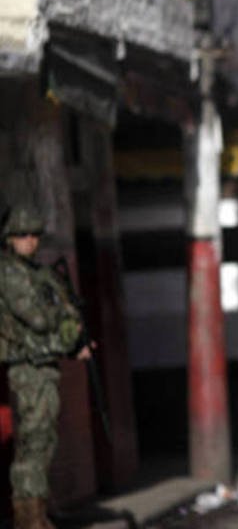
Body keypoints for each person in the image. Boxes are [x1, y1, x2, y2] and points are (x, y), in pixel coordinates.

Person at [0, 204, 92, 529]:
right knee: (34, 440)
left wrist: (73, 341)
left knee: (45, 439)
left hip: (43, 362)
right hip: (27, 366)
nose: (30, 241)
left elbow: (62, 311)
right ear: (10, 238)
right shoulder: (9, 272)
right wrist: (63, 320)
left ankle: (37, 513)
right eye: (23, 235)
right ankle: (28, 520)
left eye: (35, 235)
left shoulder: (37, 272)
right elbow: (38, 319)